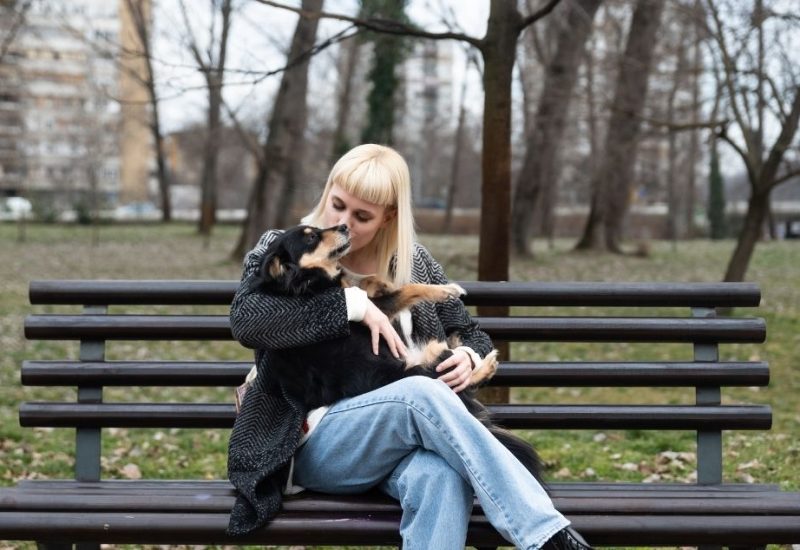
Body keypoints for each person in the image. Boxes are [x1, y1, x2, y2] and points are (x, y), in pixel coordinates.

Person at [227, 144, 592, 550]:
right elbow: (247, 319)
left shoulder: (414, 263)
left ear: (389, 217)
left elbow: (470, 332)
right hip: (310, 443)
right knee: (418, 393)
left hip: (396, 446)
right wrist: (353, 303)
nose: (343, 222)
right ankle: (545, 537)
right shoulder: (283, 248)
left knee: (440, 476)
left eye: (362, 216)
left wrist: (469, 358)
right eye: (337, 205)